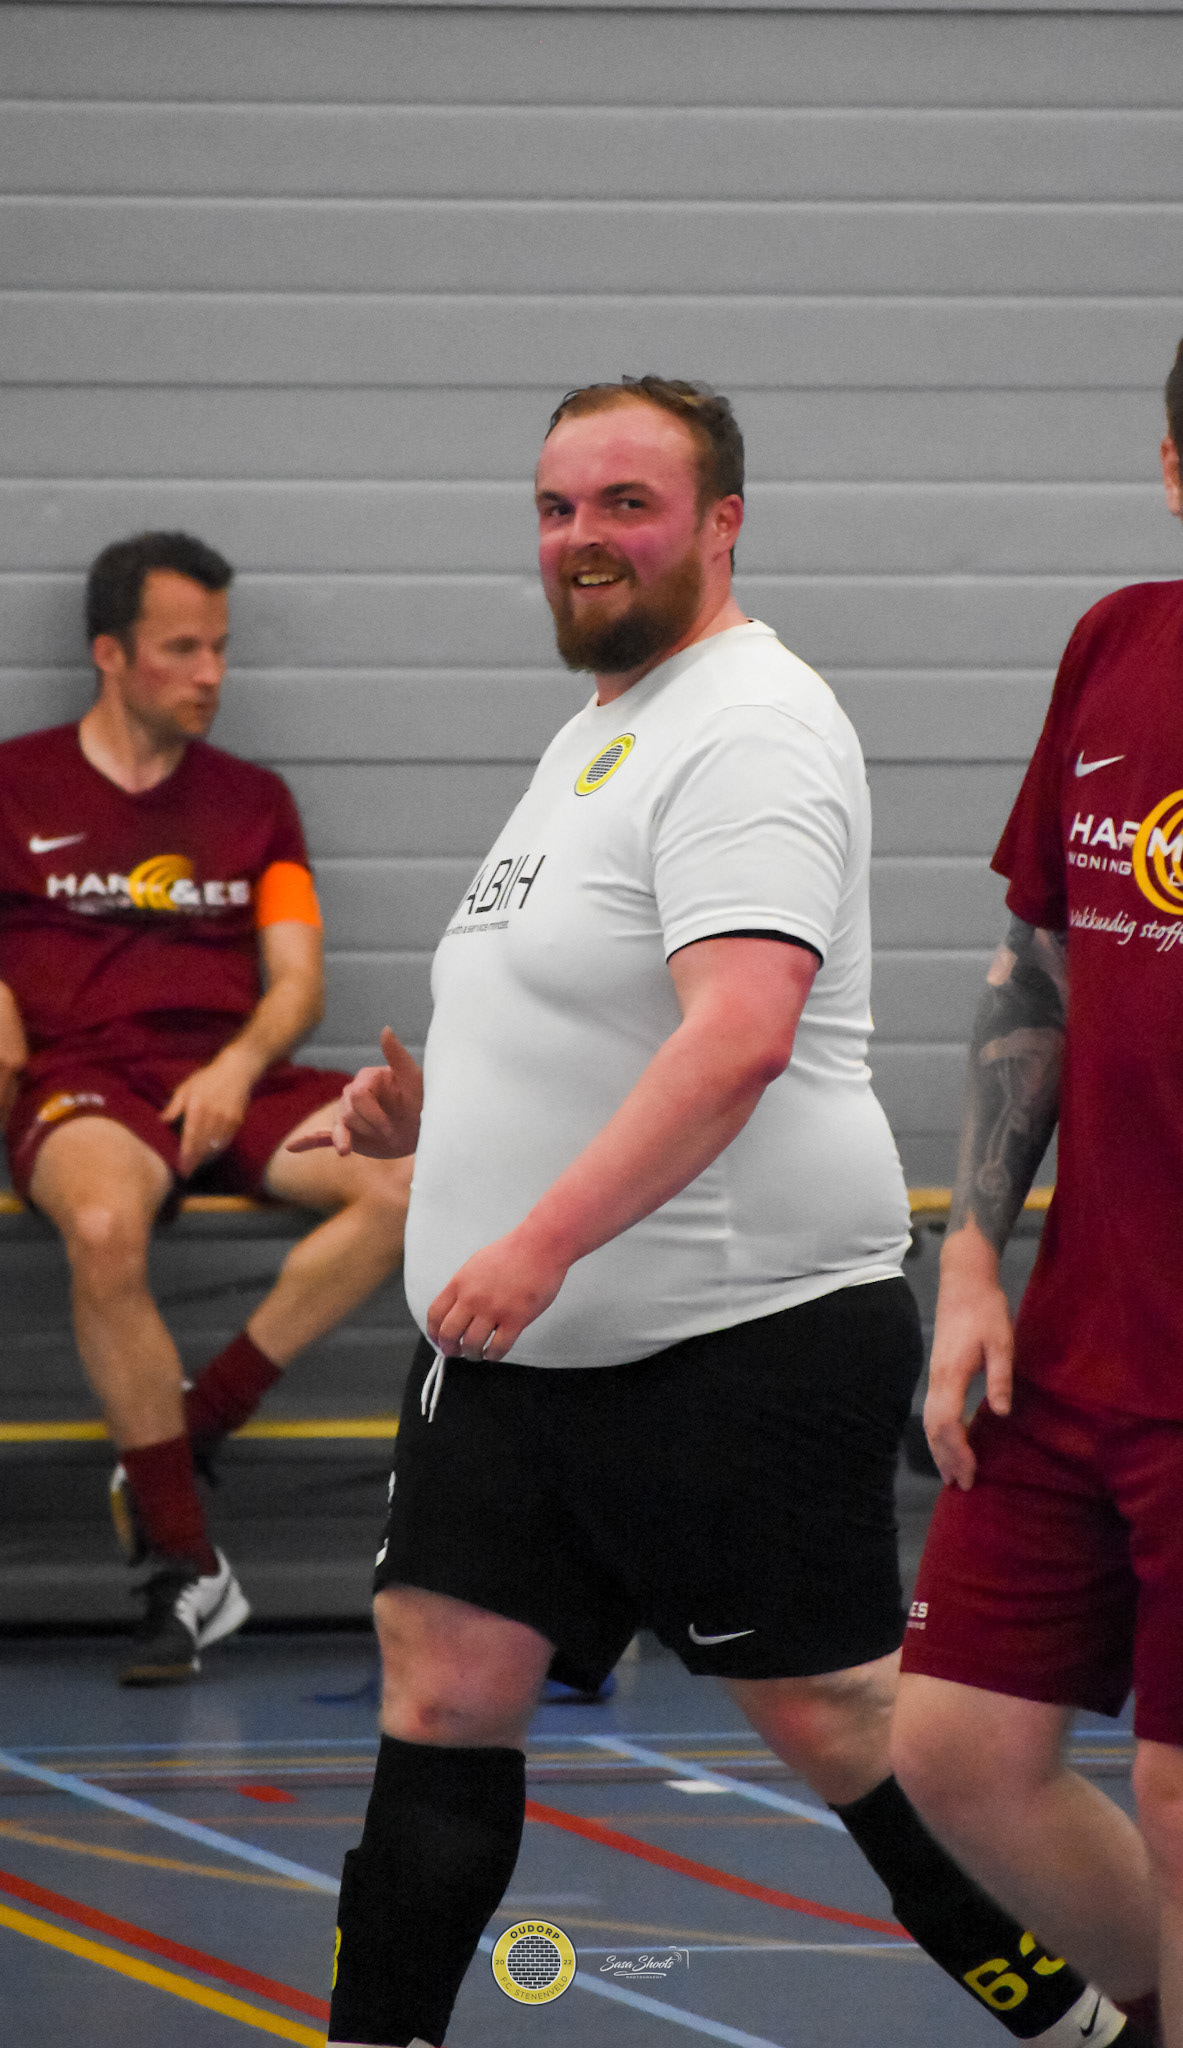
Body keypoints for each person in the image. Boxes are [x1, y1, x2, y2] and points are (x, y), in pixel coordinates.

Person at [301, 379, 1145, 2048]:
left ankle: (1109, 2022)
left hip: (729, 1341)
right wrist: (439, 1119)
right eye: (556, 507)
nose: (581, 538)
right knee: (443, 1688)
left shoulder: (748, 727)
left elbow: (740, 1034)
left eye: (626, 503)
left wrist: (540, 1237)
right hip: (518, 1361)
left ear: (721, 522)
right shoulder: (595, 735)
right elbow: (594, 1019)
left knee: (851, 1731)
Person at [887, 353, 1183, 2048]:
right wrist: (972, 1262)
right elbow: (1035, 972)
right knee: (952, 1745)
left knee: (1173, 1791)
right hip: (1075, 1342)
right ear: (1169, 470)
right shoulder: (1110, 644)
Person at [0, 531, 412, 1686]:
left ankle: (187, 1435)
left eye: (219, 648)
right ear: (110, 653)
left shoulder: (254, 801)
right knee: (101, 1227)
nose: (211, 673)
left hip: (235, 1072)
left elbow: (297, 981)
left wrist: (238, 1065)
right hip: (88, 1081)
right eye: (182, 649)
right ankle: (185, 1563)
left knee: (407, 1179)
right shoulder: (13, 784)